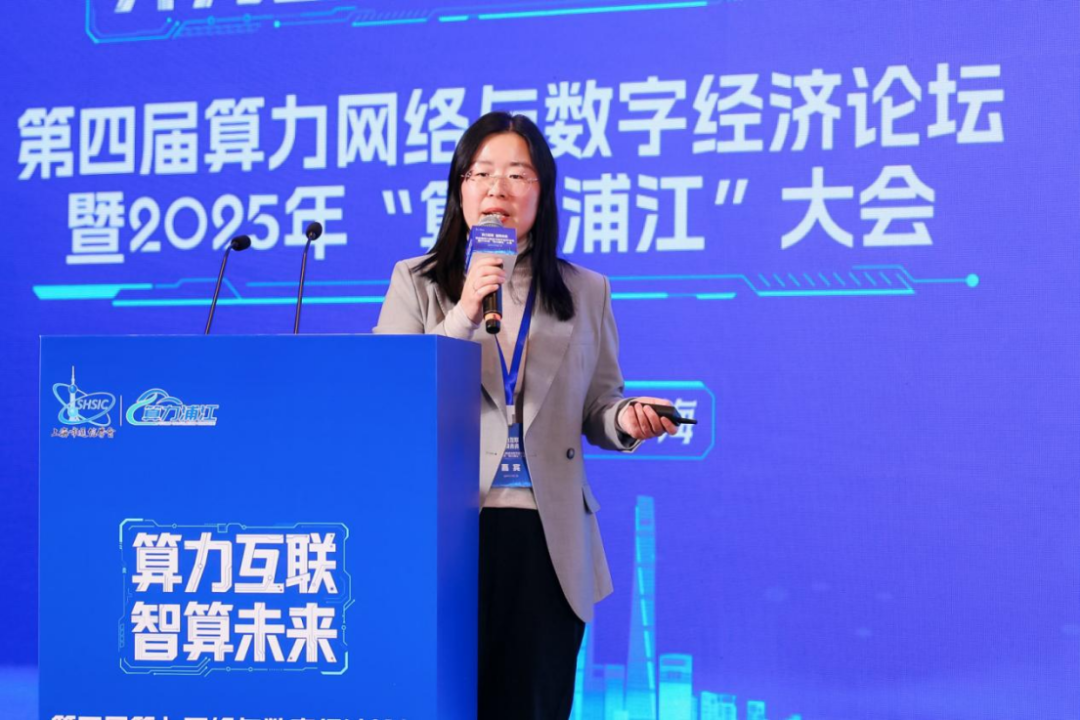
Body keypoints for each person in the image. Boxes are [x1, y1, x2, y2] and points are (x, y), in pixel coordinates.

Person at [374, 112, 677, 720]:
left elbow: (600, 403)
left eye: (518, 174)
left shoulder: (586, 290)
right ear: (460, 189)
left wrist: (627, 420)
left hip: (547, 538)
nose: (498, 188)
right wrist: (464, 312)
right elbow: (392, 396)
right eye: (482, 173)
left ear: (543, 192)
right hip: (444, 531)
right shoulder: (417, 281)